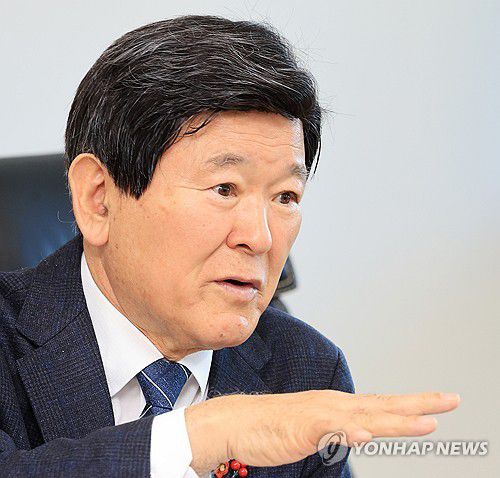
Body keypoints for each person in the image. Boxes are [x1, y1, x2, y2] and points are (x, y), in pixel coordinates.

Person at [0, 15, 460, 477]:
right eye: (224, 189)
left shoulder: (304, 370)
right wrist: (204, 435)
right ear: (98, 199)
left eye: (286, 197)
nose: (260, 238)